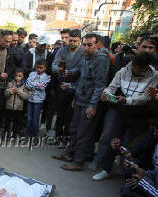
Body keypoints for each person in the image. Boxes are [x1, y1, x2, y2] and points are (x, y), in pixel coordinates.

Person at [92, 52, 158, 181]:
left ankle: (127, 173)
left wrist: (127, 100)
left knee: (130, 144)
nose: (138, 72)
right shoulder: (123, 71)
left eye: (142, 70)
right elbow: (110, 88)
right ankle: (107, 169)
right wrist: (107, 94)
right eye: (136, 68)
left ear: (147, 68)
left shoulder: (155, 76)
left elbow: (146, 97)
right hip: (121, 112)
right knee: (113, 140)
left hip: (139, 115)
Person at [52, 33, 110, 171]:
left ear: (97, 45)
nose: (85, 48)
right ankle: (69, 154)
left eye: (89, 45)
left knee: (83, 133)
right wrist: (75, 94)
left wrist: (93, 105)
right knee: (73, 129)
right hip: (80, 99)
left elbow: (99, 85)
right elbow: (82, 77)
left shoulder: (101, 59)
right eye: (84, 45)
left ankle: (78, 162)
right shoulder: (86, 56)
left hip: (89, 103)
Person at [52, 29, 84, 141]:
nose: (72, 43)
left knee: (70, 115)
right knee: (60, 113)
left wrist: (70, 72)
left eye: (75, 41)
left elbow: (81, 68)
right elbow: (54, 65)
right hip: (62, 85)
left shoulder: (83, 52)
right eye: (70, 40)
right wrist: (58, 69)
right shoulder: (62, 50)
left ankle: (66, 137)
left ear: (80, 40)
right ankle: (58, 136)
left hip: (75, 87)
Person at [25, 60, 51, 138]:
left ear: (45, 68)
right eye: (38, 67)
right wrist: (36, 85)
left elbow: (42, 87)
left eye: (41, 68)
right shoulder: (32, 74)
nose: (39, 69)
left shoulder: (46, 77)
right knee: (29, 118)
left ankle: (34, 135)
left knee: (35, 118)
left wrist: (33, 85)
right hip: (30, 99)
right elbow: (27, 84)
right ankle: (28, 134)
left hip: (39, 101)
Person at [4, 68, 30, 137]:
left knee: (16, 122)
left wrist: (19, 92)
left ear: (23, 76)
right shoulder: (10, 83)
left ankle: (15, 134)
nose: (18, 77)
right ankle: (6, 134)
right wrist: (10, 91)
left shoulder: (25, 85)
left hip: (18, 108)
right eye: (17, 76)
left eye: (20, 76)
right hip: (9, 107)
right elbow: (5, 93)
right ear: (14, 76)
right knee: (8, 121)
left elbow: (26, 96)